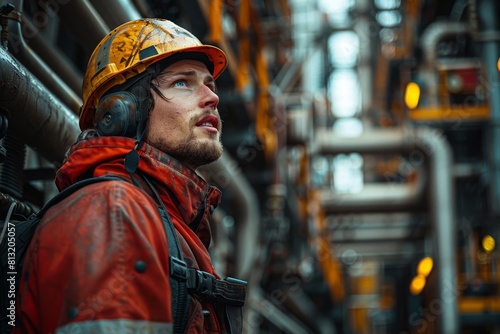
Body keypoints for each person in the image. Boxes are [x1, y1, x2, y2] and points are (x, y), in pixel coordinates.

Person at [13, 18, 246, 333]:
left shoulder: (167, 219)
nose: (212, 98)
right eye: (182, 82)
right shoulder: (113, 210)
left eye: (210, 84)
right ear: (122, 111)